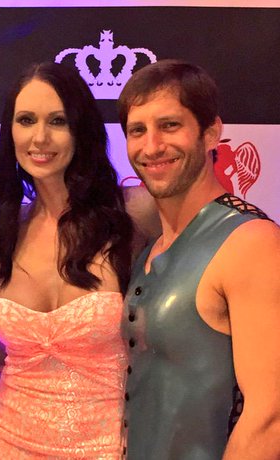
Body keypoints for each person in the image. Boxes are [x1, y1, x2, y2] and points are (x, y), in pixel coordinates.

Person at [0, 61, 158, 459]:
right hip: (7, 444)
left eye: (57, 121)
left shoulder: (135, 214)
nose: (40, 137)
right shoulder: (2, 235)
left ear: (82, 129)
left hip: (108, 447)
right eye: (26, 120)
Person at [118, 59, 280, 459]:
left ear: (211, 132)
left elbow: (270, 418)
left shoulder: (251, 242)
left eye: (170, 125)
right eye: (138, 130)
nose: (152, 146)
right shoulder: (151, 249)